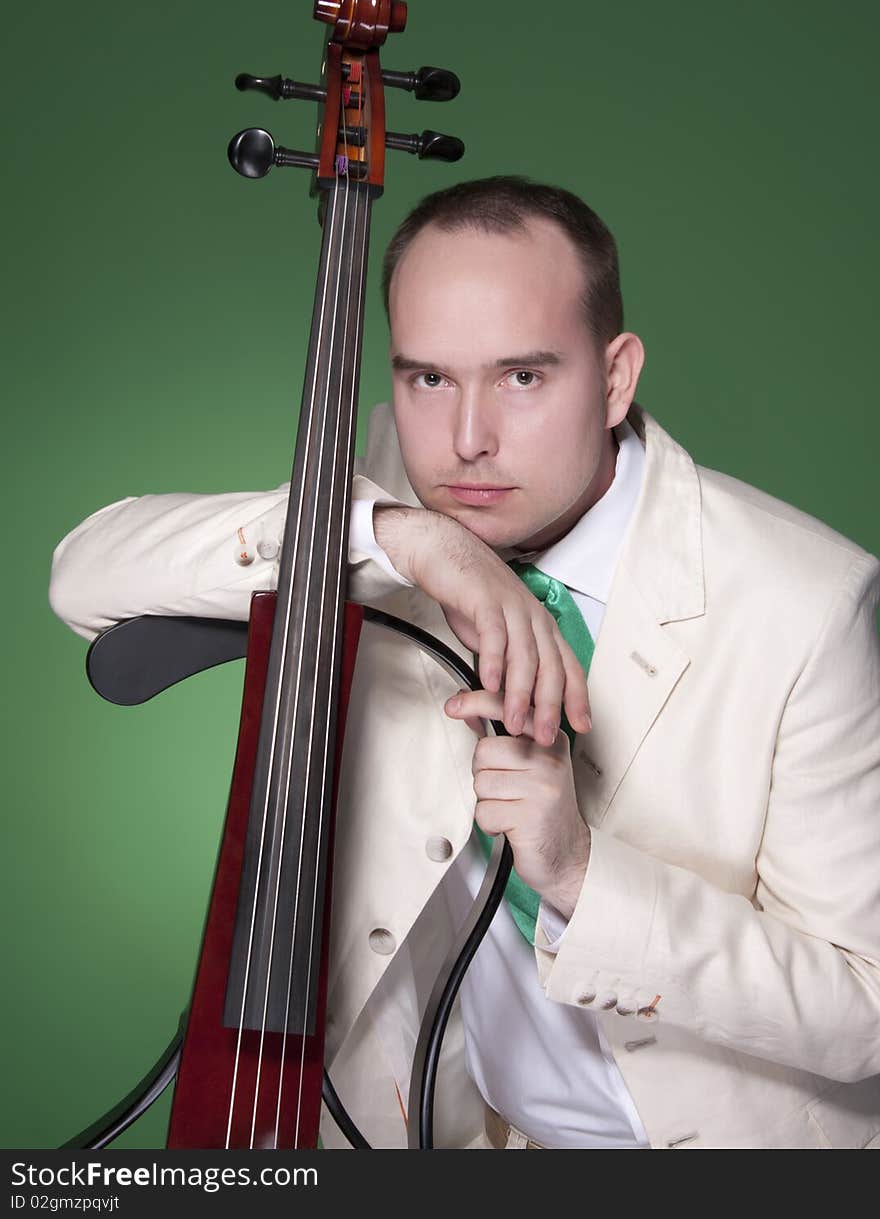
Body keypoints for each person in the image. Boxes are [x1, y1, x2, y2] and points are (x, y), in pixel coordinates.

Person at [49, 176, 880, 1150]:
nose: (468, 440)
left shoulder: (809, 603)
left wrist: (576, 870)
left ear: (615, 377)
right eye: (427, 378)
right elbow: (85, 576)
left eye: (522, 376)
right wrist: (405, 538)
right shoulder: (402, 506)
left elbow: (864, 1006)